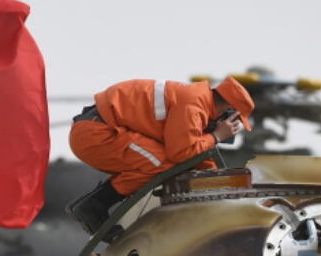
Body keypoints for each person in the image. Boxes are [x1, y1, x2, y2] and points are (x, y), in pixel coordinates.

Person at [66, 76, 256, 235]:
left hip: (100, 131)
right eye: (236, 120)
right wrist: (216, 136)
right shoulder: (194, 103)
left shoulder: (198, 104)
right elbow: (181, 154)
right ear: (229, 110)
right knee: (162, 164)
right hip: (97, 134)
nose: (234, 127)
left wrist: (218, 188)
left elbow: (196, 157)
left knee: (163, 161)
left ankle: (93, 204)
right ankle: (93, 206)